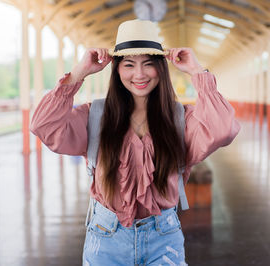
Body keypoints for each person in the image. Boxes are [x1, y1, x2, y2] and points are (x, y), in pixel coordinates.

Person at [30, 19, 240, 266]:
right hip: (105, 240)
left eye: (149, 64)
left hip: (164, 240)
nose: (139, 74)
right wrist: (78, 73)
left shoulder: (181, 119)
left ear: (161, 69)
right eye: (129, 64)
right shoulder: (95, 117)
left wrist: (198, 72)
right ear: (117, 70)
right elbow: (42, 125)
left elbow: (224, 128)